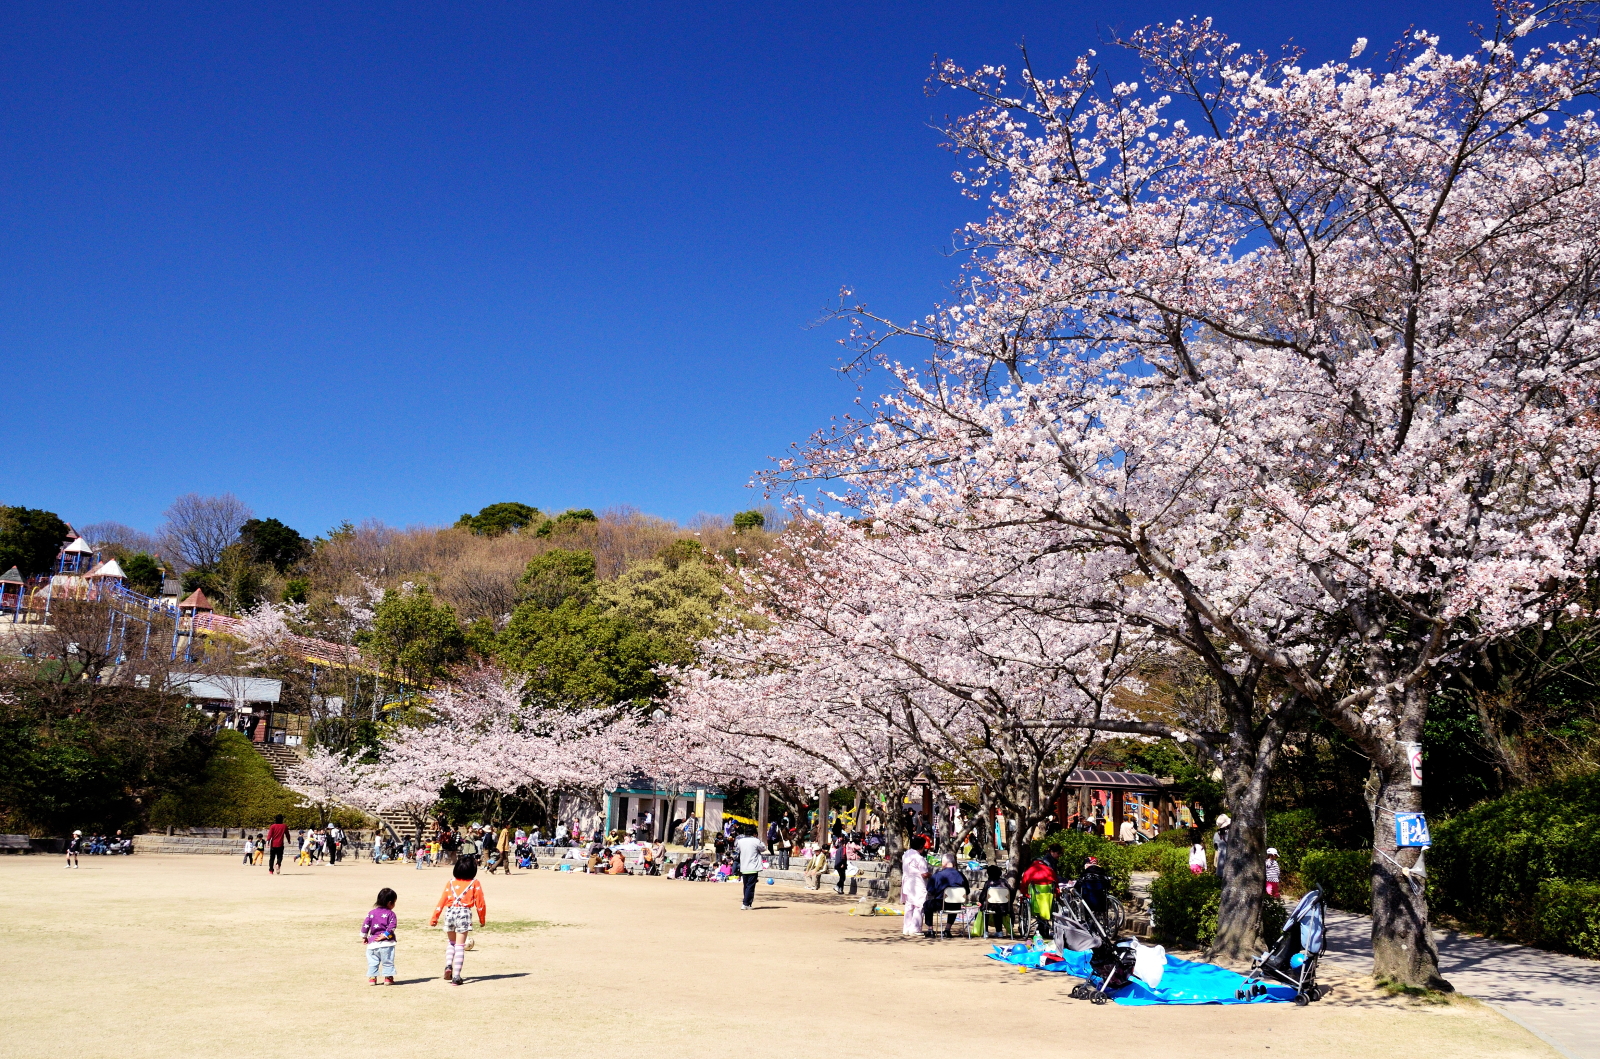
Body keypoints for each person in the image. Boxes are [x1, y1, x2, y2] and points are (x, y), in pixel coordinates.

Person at [429, 856, 486, 986]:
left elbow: (442, 900)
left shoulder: (450, 882)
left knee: (451, 943)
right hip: (464, 914)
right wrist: (482, 919)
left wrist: (435, 918)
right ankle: (456, 976)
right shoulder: (474, 883)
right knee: (460, 945)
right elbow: (480, 903)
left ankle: (448, 965)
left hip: (450, 912)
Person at [362, 887, 399, 986]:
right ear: (390, 903)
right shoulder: (391, 914)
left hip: (372, 943)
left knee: (373, 961)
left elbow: (365, 925)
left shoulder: (371, 913)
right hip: (386, 944)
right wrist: (385, 935)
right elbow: (392, 926)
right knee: (387, 961)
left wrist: (364, 936)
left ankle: (372, 978)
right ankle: (388, 978)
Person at [926, 853, 968, 938]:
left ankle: (930, 929)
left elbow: (930, 890)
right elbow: (966, 890)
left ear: (944, 863)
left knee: (927, 905)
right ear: (954, 863)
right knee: (955, 904)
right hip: (956, 904)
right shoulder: (961, 875)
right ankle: (947, 930)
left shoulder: (938, 875)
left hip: (940, 903)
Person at [901, 837, 931, 936]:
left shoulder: (906, 855)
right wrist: (931, 874)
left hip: (908, 883)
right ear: (922, 847)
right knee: (919, 905)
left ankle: (907, 928)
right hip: (917, 884)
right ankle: (915, 928)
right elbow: (924, 874)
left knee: (909, 906)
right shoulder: (919, 858)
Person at [1020, 854, 1057, 928]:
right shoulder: (1050, 870)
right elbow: (1056, 886)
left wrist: (1025, 894)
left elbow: (1023, 886)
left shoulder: (1029, 871)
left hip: (1034, 903)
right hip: (1048, 903)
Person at [733, 825, 765, 910]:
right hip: (753, 867)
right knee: (750, 886)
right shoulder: (756, 841)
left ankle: (748, 903)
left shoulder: (740, 841)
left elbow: (737, 849)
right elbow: (763, 848)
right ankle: (745, 903)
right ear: (754, 833)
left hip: (744, 866)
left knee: (746, 886)